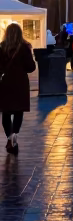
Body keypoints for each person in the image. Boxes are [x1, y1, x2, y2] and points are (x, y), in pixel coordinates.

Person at [0, 24, 36, 155]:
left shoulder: (2, 47)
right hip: (20, 83)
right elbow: (31, 67)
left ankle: (9, 137)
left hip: (5, 84)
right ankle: (14, 136)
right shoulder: (24, 48)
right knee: (18, 112)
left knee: (6, 112)